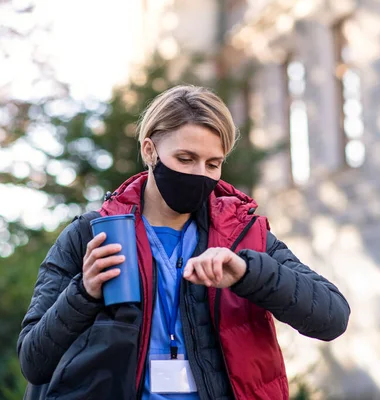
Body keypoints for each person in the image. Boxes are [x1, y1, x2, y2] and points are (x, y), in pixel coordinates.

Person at [17, 85, 350, 400]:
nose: (199, 174)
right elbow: (34, 361)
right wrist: (84, 292)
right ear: (150, 151)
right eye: (186, 159)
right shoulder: (91, 235)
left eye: (213, 164)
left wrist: (249, 274)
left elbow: (332, 317)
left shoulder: (244, 236)